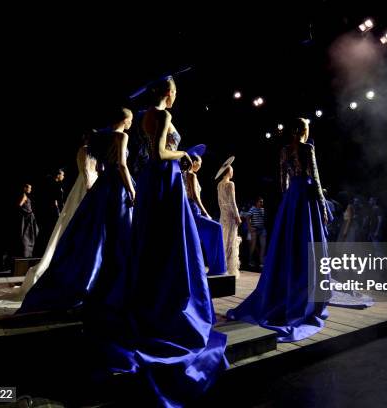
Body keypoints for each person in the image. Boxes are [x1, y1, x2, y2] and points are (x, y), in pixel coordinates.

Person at [101, 77, 227, 407]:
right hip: (166, 183)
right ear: (169, 93)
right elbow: (159, 154)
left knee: (152, 249)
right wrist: (184, 153)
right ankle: (173, 309)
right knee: (173, 250)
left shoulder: (144, 115)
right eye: (176, 92)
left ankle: (149, 303)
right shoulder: (164, 116)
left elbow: (148, 155)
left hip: (151, 185)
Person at [17, 107, 136, 313]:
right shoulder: (120, 136)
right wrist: (132, 190)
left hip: (103, 187)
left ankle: (93, 278)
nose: (132, 123)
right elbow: (122, 166)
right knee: (120, 232)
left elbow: (99, 168)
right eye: (131, 119)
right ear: (125, 120)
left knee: (98, 232)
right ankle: (116, 280)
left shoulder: (100, 138)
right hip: (117, 186)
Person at [227, 118, 330, 342]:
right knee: (307, 243)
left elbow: (282, 181)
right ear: (305, 130)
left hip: (292, 198)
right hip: (306, 196)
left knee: (289, 243)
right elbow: (316, 178)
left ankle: (285, 287)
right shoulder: (307, 148)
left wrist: (288, 203)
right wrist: (322, 207)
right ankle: (304, 295)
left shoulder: (284, 150)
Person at [0, 132, 99, 305]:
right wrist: (90, 189)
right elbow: (85, 172)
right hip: (85, 188)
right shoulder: (84, 150)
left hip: (94, 185)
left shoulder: (96, 151)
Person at [184, 145, 227, 275]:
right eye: (200, 163)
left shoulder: (184, 175)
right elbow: (195, 197)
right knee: (216, 228)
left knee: (208, 233)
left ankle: (212, 267)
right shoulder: (191, 175)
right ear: (195, 162)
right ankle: (216, 268)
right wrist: (205, 212)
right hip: (194, 211)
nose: (201, 165)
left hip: (189, 211)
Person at [216, 157, 242, 277]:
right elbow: (233, 201)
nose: (232, 172)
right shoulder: (231, 184)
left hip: (223, 216)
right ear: (228, 172)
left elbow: (220, 202)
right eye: (231, 170)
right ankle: (227, 268)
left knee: (224, 240)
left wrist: (223, 213)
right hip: (230, 216)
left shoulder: (219, 185)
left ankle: (222, 265)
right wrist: (237, 216)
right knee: (230, 241)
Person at [16, 183, 39, 258]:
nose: (30, 190)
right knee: (28, 234)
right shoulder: (24, 196)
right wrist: (27, 212)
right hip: (28, 217)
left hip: (30, 217)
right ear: (25, 188)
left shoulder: (25, 196)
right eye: (29, 188)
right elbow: (19, 205)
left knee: (32, 234)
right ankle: (26, 254)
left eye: (30, 188)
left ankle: (29, 253)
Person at [246, 197, 267, 269]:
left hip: (262, 229)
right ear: (257, 202)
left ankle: (261, 262)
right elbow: (247, 217)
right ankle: (250, 260)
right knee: (253, 245)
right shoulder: (252, 209)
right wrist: (250, 228)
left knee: (263, 245)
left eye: (262, 202)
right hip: (254, 229)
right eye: (260, 202)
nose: (261, 203)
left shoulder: (263, 209)